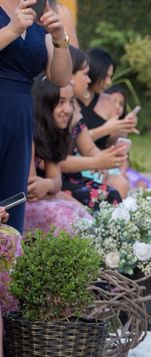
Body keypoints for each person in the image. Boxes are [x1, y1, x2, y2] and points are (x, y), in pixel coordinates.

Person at [0, 0, 72, 233]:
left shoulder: (39, 11)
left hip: (20, 116)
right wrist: (13, 30)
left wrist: (59, 36)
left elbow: (60, 78)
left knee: (11, 200)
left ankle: (7, 266)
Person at [24, 74, 92, 235]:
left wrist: (48, 184)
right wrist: (50, 188)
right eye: (60, 102)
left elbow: (56, 181)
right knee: (69, 216)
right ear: (44, 103)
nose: (67, 110)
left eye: (71, 102)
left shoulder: (51, 133)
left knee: (86, 216)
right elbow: (31, 190)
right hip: (14, 205)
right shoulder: (28, 133)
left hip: (37, 198)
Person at [67, 46, 128, 203]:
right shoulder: (65, 106)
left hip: (91, 163)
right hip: (72, 169)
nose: (109, 82)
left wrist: (121, 130)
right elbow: (57, 159)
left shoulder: (103, 102)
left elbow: (90, 147)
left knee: (117, 186)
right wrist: (97, 161)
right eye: (85, 75)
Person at [78, 47, 137, 150]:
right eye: (105, 77)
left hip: (101, 161)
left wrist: (123, 128)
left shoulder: (109, 101)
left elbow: (111, 143)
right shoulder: (71, 99)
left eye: (110, 77)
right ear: (93, 71)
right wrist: (105, 129)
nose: (109, 82)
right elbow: (71, 142)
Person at [105, 84, 151, 190]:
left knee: (143, 184)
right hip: (103, 169)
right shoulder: (99, 125)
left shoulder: (121, 127)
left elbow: (124, 158)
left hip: (121, 169)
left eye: (121, 104)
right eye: (114, 102)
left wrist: (124, 129)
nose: (118, 106)